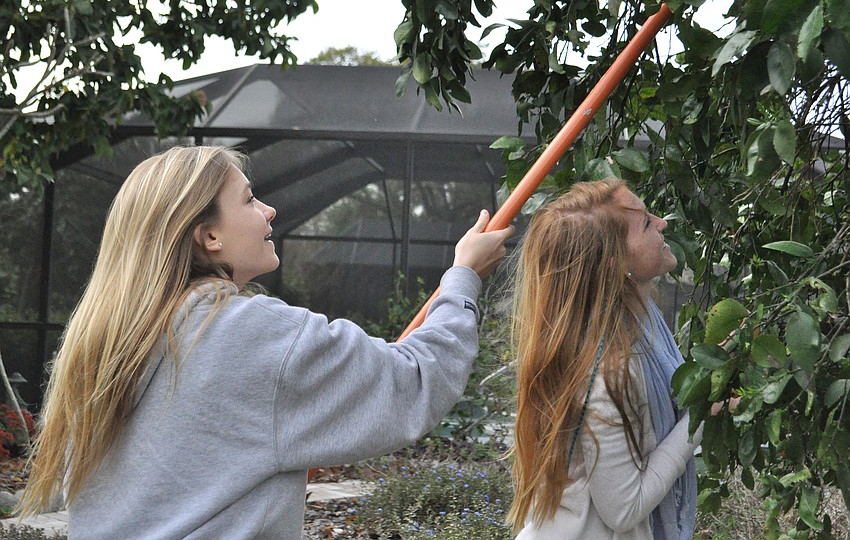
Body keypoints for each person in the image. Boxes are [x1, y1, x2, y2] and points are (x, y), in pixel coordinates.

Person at [18, 145, 515, 539]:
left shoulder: (108, 341)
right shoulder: (253, 335)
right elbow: (415, 380)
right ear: (208, 236)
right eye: (250, 199)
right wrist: (462, 278)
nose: (270, 209)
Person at [506, 178, 734, 539]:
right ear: (614, 263)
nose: (662, 223)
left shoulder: (637, 320)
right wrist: (704, 415)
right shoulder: (605, 372)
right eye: (645, 222)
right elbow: (624, 508)